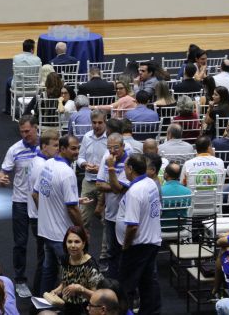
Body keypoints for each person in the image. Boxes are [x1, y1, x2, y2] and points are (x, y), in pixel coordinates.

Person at [33, 135, 84, 293]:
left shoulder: (47, 164)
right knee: (72, 273)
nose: (77, 152)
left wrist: (46, 214)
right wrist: (82, 231)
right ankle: (71, 304)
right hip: (62, 235)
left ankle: (43, 301)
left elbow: (36, 194)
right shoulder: (67, 173)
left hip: (46, 231)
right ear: (62, 149)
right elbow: (72, 208)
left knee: (49, 270)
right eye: (73, 148)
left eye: (78, 148)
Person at [0, 116, 38, 297]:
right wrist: (1, 178)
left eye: (27, 131)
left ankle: (44, 276)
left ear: (36, 128)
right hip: (20, 202)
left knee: (43, 241)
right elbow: (3, 171)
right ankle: (20, 280)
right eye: (22, 132)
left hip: (41, 203)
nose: (24, 135)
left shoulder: (45, 146)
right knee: (20, 243)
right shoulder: (14, 149)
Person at [115, 153, 162, 315]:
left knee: (126, 285)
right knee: (147, 282)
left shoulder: (135, 191)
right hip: (151, 240)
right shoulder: (150, 182)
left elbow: (132, 226)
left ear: (130, 169)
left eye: (125, 167)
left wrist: (125, 246)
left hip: (137, 245)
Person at [26, 130, 60, 294]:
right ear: (44, 146)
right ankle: (39, 294)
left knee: (44, 259)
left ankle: (40, 293)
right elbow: (36, 195)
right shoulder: (42, 166)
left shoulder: (36, 160)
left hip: (35, 216)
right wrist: (46, 215)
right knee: (44, 260)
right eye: (55, 145)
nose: (58, 149)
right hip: (39, 218)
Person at [46, 226, 103, 315]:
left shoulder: (90, 265)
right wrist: (56, 291)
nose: (73, 246)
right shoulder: (64, 259)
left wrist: (81, 289)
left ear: (83, 244)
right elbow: (65, 283)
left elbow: (98, 296)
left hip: (85, 309)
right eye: (69, 242)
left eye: (77, 242)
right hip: (66, 306)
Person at [96, 134, 131, 279]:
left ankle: (125, 282)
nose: (112, 151)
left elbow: (118, 189)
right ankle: (112, 282)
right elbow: (99, 185)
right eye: (109, 148)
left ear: (123, 146)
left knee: (125, 250)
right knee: (111, 251)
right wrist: (115, 186)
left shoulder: (129, 162)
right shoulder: (106, 158)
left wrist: (111, 169)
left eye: (116, 147)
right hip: (110, 213)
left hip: (125, 215)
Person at [77, 111, 108, 233]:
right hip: (88, 181)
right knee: (83, 219)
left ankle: (106, 246)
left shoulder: (110, 139)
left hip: (104, 183)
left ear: (105, 122)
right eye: (94, 123)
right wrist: (84, 164)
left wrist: (100, 169)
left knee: (106, 220)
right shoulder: (87, 137)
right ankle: (82, 244)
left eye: (100, 123)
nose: (97, 126)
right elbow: (80, 158)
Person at [4, 39, 42, 115]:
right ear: (32, 49)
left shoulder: (16, 58)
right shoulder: (38, 60)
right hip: (34, 86)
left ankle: (8, 109)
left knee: (8, 81)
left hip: (18, 86)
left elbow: (14, 71)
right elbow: (39, 74)